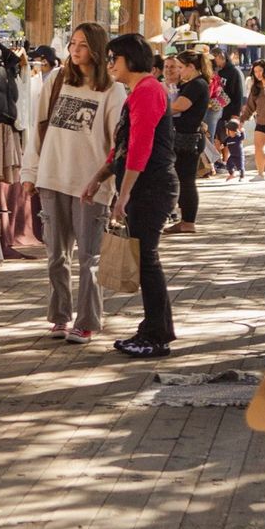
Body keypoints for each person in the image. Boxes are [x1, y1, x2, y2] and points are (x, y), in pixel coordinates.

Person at [20, 21, 125, 343]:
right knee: (56, 256)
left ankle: (88, 320)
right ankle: (60, 316)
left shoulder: (113, 90)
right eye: (72, 44)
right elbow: (37, 128)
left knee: (89, 258)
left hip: (90, 185)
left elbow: (116, 143)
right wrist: (30, 173)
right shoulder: (57, 79)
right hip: (52, 177)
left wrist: (109, 185)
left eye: (81, 45)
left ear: (96, 49)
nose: (74, 51)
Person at [84, 33, 177, 358]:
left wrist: (123, 195)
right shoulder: (139, 92)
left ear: (130, 60)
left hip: (151, 188)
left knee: (148, 261)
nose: (109, 64)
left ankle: (156, 334)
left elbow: (140, 146)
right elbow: (123, 147)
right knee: (147, 260)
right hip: (144, 187)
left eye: (114, 59)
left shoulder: (149, 90)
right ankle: (156, 330)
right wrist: (99, 178)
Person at [167, 49, 210, 233]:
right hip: (187, 136)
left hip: (188, 138)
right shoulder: (194, 83)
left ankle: (188, 221)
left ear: (191, 67)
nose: (179, 71)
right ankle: (185, 219)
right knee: (183, 178)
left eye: (181, 67)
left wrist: (156, 108)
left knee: (186, 180)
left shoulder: (196, 85)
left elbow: (178, 106)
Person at [221, 115, 246, 179]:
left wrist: (242, 131)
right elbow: (224, 143)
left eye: (227, 130)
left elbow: (243, 137)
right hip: (232, 155)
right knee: (228, 165)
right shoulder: (228, 138)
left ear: (232, 130)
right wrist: (222, 145)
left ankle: (242, 177)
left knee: (240, 167)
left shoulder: (238, 137)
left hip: (239, 155)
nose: (226, 131)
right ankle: (232, 174)